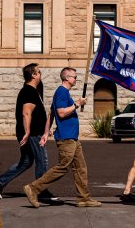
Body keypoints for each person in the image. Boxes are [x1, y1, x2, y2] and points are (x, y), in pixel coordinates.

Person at [22, 67, 102, 208]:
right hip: (66, 138)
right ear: (66, 78)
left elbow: (51, 113)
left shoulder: (64, 93)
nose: (76, 79)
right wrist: (77, 104)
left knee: (80, 168)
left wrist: (46, 132)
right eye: (74, 77)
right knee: (62, 167)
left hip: (73, 138)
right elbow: (60, 113)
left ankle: (83, 198)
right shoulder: (61, 92)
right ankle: (33, 188)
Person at [0, 63, 58, 203]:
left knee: (26, 162)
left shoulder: (32, 91)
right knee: (42, 160)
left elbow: (36, 114)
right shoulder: (29, 91)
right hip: (33, 134)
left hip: (34, 132)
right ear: (33, 75)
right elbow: (26, 113)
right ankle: (40, 191)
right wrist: (27, 132)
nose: (41, 73)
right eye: (39, 71)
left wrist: (46, 130)